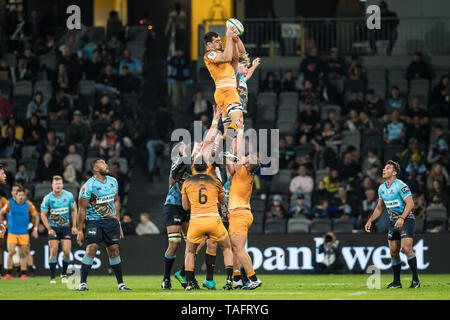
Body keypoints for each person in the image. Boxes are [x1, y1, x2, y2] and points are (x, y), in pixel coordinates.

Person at [181, 157, 234, 291]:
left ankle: (188, 283)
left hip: (196, 220)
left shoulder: (187, 183)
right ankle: (229, 280)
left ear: (194, 168)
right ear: (207, 167)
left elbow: (185, 206)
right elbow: (222, 201)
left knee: (190, 252)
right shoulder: (215, 181)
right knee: (227, 248)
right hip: (213, 220)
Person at [77, 159, 131, 291]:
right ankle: (82, 283)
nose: (106, 165)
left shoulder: (113, 181)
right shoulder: (88, 186)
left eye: (106, 163)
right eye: (102, 164)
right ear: (95, 168)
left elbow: (116, 201)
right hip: (94, 221)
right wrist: (79, 230)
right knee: (92, 248)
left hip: (111, 221)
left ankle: (121, 284)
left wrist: (118, 221)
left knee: (114, 250)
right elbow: (82, 209)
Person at [365, 160, 420, 289]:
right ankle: (397, 282)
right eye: (384, 168)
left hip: (406, 220)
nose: (384, 170)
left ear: (394, 172)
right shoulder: (382, 188)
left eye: (388, 168)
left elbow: (410, 203)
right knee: (394, 252)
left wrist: (401, 218)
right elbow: (379, 208)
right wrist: (370, 220)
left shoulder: (400, 185)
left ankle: (415, 280)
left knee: (406, 249)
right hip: (393, 221)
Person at [226, 127, 262, 290]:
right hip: (240, 213)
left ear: (247, 163)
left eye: (247, 157)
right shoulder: (245, 172)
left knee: (239, 249)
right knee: (235, 248)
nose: (245, 157)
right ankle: (237, 278)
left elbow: (234, 158)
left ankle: (253, 278)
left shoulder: (241, 170)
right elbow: (233, 159)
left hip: (239, 214)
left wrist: (238, 133)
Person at [203, 29, 244, 156]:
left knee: (228, 128)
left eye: (221, 41)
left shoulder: (223, 56)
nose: (220, 43)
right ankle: (219, 143)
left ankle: (224, 151)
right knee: (238, 123)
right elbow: (226, 56)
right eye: (216, 41)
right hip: (227, 91)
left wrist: (235, 39)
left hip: (226, 92)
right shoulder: (209, 55)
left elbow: (239, 55)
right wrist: (228, 37)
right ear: (209, 45)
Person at [161, 143, 192, 290]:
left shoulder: (197, 164)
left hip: (189, 206)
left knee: (192, 243)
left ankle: (184, 274)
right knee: (174, 242)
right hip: (173, 205)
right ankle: (166, 278)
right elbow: (174, 177)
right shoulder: (177, 162)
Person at [40, 176, 77, 284]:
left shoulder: (69, 195)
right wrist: (49, 228)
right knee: (54, 251)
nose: (58, 185)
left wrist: (74, 226)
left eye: (60, 183)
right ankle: (52, 277)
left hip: (65, 228)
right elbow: (43, 214)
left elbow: (74, 210)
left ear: (62, 185)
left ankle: (64, 274)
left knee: (66, 252)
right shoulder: (47, 198)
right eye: (56, 183)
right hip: (54, 229)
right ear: (52, 185)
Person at [1, 187, 39, 279]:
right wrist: (2, 224)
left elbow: (36, 216)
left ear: (25, 196)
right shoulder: (9, 204)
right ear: (15, 197)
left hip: (24, 233)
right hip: (12, 233)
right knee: (11, 252)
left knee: (23, 253)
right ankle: (8, 273)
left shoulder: (28, 206)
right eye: (19, 195)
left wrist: (35, 228)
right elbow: (1, 213)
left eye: (22, 195)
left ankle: (23, 274)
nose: (21, 197)